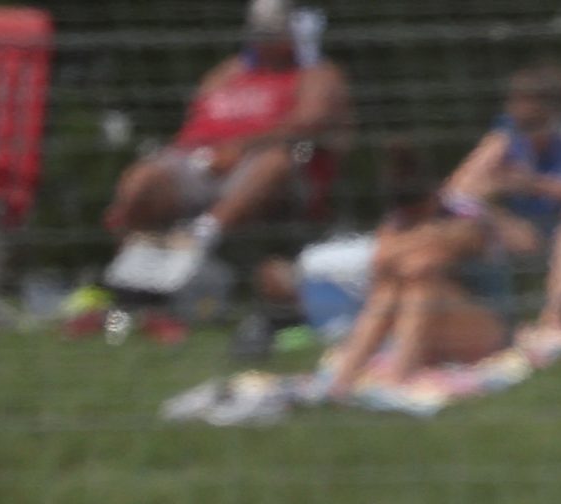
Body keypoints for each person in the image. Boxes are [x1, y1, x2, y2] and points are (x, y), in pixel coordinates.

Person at [103, 0, 350, 283]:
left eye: (273, 30)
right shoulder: (228, 71)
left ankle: (199, 238)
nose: (265, 37)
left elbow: (310, 121)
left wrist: (239, 148)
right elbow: (194, 120)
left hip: (266, 169)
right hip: (201, 160)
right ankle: (128, 277)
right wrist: (206, 154)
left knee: (276, 162)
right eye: (261, 29)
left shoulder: (315, 73)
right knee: (143, 177)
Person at [322, 146, 523, 399]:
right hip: (439, 335)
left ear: (434, 195)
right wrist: (412, 246)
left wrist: (405, 247)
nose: (411, 216)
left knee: (421, 281)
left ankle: (398, 377)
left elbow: (433, 255)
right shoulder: (397, 221)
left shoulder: (465, 215)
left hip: (487, 331)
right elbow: (381, 263)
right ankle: (343, 381)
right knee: (387, 290)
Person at [443, 63, 561, 332]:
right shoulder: (507, 133)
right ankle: (475, 318)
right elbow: (455, 189)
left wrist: (536, 184)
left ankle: (553, 316)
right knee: (463, 207)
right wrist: (496, 185)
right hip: (524, 229)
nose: (515, 108)